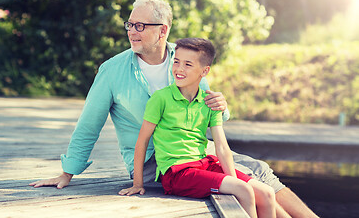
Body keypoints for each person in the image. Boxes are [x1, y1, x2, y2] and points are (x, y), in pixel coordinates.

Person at [29, 0, 318, 218]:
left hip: (195, 151)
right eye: (130, 24)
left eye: (141, 26)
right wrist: (68, 172)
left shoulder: (183, 58)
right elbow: (89, 125)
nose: (132, 31)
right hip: (158, 162)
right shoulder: (112, 71)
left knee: (259, 169)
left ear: (162, 30)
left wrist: (222, 106)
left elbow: (207, 111)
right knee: (251, 180)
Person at [119, 38, 282, 217]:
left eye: (188, 64)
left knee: (266, 193)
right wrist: (137, 184)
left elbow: (221, 147)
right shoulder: (160, 99)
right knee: (243, 190)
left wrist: (232, 181)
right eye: (176, 62)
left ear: (204, 71)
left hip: (204, 165)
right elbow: (142, 141)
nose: (179, 69)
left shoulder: (209, 102)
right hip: (177, 173)